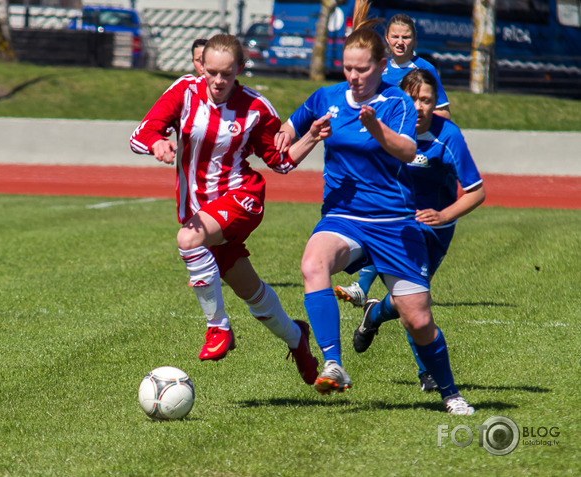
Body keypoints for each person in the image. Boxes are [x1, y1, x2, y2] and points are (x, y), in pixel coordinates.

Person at [278, 1, 475, 414]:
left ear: (382, 66)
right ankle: (333, 363)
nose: (353, 76)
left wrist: (375, 128)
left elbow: (405, 151)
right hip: (344, 216)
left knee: (417, 320)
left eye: (362, 69)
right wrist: (296, 135)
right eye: (348, 68)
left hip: (392, 221)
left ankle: (450, 393)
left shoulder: (397, 103)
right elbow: (288, 140)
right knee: (313, 264)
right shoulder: (325, 97)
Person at [129, 34, 328, 386]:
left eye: (227, 74)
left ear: (240, 69)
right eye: (213, 72)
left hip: (241, 199)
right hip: (202, 211)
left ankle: (218, 329)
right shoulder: (183, 92)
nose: (219, 81)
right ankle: (298, 340)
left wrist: (311, 136)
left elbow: (280, 162)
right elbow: (140, 134)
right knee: (251, 293)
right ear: (201, 66)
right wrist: (157, 142)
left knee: (188, 239)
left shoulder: (256, 108)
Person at [336, 68, 485, 394]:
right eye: (413, 99)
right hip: (391, 226)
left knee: (406, 302)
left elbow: (476, 191)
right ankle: (427, 373)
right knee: (414, 303)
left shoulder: (449, 136)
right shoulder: (383, 127)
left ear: (436, 104)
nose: (419, 107)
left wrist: (443, 215)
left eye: (427, 100)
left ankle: (374, 313)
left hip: (434, 231)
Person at [381, 13, 451, 120]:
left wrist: (418, 121)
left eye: (406, 37)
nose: (400, 42)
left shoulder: (425, 69)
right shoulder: (379, 67)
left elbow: (444, 113)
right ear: (387, 38)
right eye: (395, 37)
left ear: (414, 39)